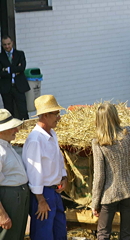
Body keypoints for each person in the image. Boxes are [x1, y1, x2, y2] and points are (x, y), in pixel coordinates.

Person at [91, 103, 130, 240]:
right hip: (129, 190)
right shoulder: (128, 133)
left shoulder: (98, 143)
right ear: (115, 116)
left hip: (109, 194)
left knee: (103, 233)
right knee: (127, 233)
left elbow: (100, 176)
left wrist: (95, 203)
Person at [22, 95, 67, 240]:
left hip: (53, 191)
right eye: (56, 114)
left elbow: (58, 158)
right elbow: (33, 171)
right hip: (43, 194)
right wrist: (40, 200)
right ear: (46, 115)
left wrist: (64, 177)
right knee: (44, 235)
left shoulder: (52, 134)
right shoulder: (35, 139)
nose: (58, 118)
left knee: (59, 233)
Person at [0, 109, 29, 240]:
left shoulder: (6, 146)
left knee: (17, 235)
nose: (16, 130)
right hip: (9, 197)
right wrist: (2, 214)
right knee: (8, 235)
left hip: (17, 195)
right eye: (12, 128)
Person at [0, 35, 30, 120]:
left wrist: (7, 69)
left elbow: (22, 68)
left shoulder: (20, 54)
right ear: (2, 45)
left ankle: (25, 130)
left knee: (23, 110)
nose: (7, 46)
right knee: (8, 112)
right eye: (5, 45)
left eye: (8, 44)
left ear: (12, 43)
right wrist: (15, 69)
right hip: (6, 87)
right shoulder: (1, 56)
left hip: (19, 86)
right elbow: (0, 73)